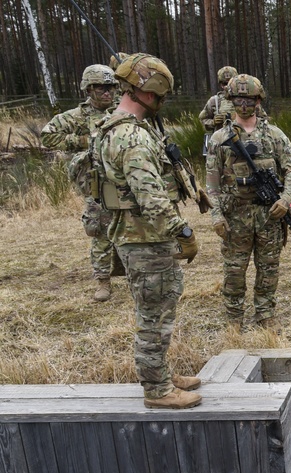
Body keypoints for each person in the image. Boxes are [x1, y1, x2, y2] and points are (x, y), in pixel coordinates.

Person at [93, 53, 201, 409]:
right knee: (154, 315)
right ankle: (157, 390)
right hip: (146, 238)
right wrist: (183, 232)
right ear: (152, 93)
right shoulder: (132, 137)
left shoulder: (117, 126)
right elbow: (151, 198)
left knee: (158, 310)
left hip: (139, 236)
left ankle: (161, 374)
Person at [206, 74, 291, 331]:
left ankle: (265, 313)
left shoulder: (274, 135)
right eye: (238, 98)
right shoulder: (219, 139)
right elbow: (212, 182)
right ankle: (234, 317)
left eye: (249, 98)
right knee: (234, 270)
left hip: (268, 215)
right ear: (231, 100)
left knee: (269, 268)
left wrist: (285, 199)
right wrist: (216, 215)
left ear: (258, 100)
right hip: (235, 215)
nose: (244, 104)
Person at [41, 64, 118, 302]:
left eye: (111, 87)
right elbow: (47, 136)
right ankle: (103, 280)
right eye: (101, 88)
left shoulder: (122, 112)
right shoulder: (76, 117)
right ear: (88, 89)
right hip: (96, 185)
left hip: (125, 180)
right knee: (100, 232)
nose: (107, 93)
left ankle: (133, 271)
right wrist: (83, 140)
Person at [198, 66, 238, 133]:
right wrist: (213, 122)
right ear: (221, 85)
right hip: (221, 140)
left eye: (231, 83)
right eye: (225, 83)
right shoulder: (214, 101)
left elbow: (260, 120)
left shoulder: (246, 100)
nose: (227, 86)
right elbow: (202, 120)